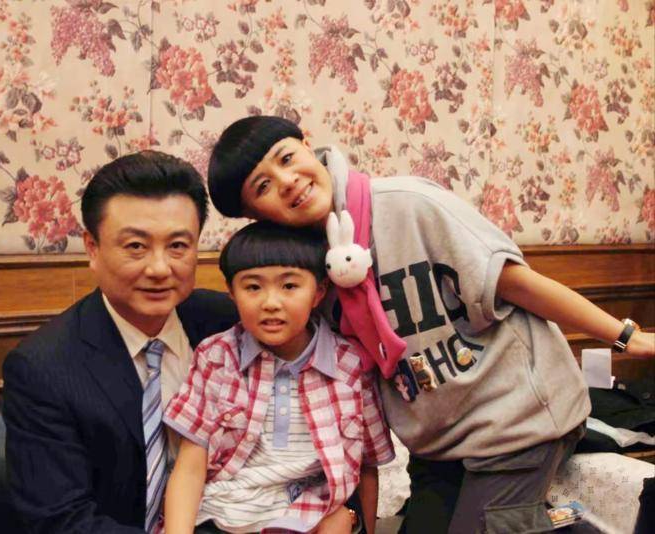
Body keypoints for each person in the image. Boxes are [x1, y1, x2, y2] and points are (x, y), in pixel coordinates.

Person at [206, 115, 655, 533]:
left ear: (308, 144)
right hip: (436, 444)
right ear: (254, 214)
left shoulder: (408, 204)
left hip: (517, 421)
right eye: (263, 186)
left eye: (287, 158)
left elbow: (519, 284)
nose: (287, 181)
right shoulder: (303, 273)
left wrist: (626, 336)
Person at [2, 151, 238, 533]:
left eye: (178, 245)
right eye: (136, 247)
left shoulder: (229, 325)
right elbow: (60, 520)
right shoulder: (42, 367)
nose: (159, 268)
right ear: (92, 249)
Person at [162, 221, 394, 534]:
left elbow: (366, 465)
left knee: (338, 521)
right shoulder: (215, 356)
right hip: (222, 511)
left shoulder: (350, 365)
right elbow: (190, 466)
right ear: (232, 293)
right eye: (253, 287)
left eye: (289, 286)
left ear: (319, 292)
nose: (271, 303)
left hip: (306, 511)